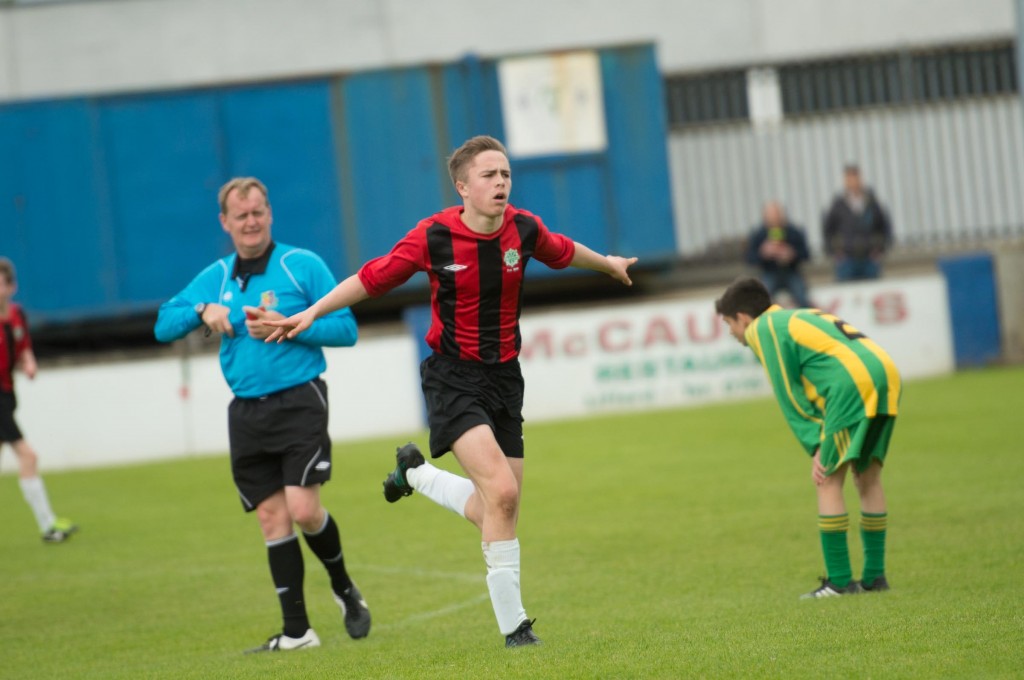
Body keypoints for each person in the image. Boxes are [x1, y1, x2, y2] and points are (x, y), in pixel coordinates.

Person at [265, 135, 638, 648]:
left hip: (506, 379)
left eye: (505, 173)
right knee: (501, 492)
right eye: (489, 175)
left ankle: (415, 475)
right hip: (452, 378)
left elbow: (565, 250)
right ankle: (516, 629)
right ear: (463, 186)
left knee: (497, 510)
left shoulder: (523, 229)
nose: (501, 183)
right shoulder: (434, 236)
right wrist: (312, 311)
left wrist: (609, 264)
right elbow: (371, 278)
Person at [154, 177, 370, 653]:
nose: (250, 222)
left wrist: (292, 326)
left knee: (304, 509)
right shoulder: (216, 276)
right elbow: (163, 323)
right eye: (241, 214)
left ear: (270, 213)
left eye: (258, 211)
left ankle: (343, 586)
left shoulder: (300, 265)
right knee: (273, 520)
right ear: (225, 222)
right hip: (246, 412)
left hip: (299, 399)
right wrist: (201, 309)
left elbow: (347, 329)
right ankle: (298, 633)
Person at [715, 277, 899, 598]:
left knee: (827, 479)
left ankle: (840, 582)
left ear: (743, 317)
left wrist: (816, 443)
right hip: (884, 371)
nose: (731, 332)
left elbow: (788, 392)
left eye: (729, 324)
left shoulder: (763, 328)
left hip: (851, 384)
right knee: (867, 476)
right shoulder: (795, 316)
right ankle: (874, 577)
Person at [0, 258, 79, 544]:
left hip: (7, 395)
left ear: (11, 287)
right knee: (28, 456)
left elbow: (23, 348)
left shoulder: (18, 315)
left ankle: (48, 524)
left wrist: (28, 363)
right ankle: (48, 526)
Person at [822, 164, 893, 281]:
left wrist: (880, 249)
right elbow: (828, 230)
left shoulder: (871, 203)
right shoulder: (838, 205)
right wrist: (834, 252)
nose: (853, 182)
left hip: (869, 258)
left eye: (855, 177)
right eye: (849, 179)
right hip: (847, 260)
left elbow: (884, 226)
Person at [744, 201, 812, 307]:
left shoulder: (793, 232)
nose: (774, 219)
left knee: (802, 296)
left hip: (791, 272)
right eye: (771, 216)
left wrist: (792, 254)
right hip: (769, 273)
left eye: (776, 215)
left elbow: (806, 254)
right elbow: (749, 258)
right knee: (762, 298)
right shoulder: (759, 234)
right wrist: (763, 254)